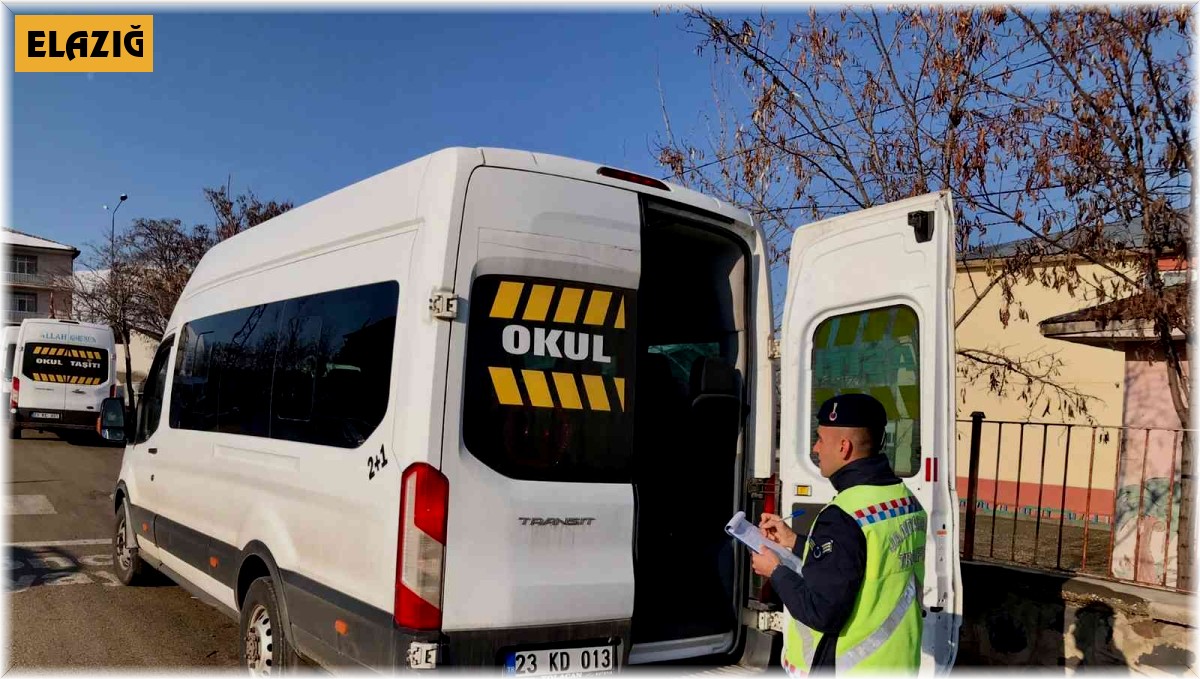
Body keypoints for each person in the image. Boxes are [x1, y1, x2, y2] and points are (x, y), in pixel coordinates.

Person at [751, 393, 927, 675]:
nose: (815, 447)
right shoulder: (904, 501)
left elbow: (821, 612)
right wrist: (795, 543)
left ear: (844, 447)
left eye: (820, 439)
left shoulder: (843, 515)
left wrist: (775, 570)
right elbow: (862, 565)